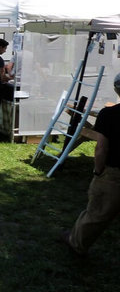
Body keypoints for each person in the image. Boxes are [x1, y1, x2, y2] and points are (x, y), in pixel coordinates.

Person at [61, 73, 120, 256]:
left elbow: (101, 148)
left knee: (97, 212)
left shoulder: (109, 114)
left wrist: (98, 171)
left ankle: (76, 243)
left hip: (114, 173)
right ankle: (75, 237)